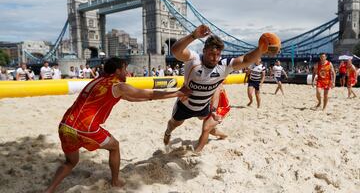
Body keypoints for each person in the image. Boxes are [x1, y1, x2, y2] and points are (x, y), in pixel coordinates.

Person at [45, 57, 190, 193]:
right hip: (85, 127)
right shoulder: (118, 85)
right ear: (117, 71)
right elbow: (148, 93)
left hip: (65, 125)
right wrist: (177, 93)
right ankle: (115, 181)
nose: (126, 72)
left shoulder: (96, 80)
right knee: (114, 146)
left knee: (71, 162)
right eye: (124, 69)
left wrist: (150, 100)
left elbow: (132, 98)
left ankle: (49, 190)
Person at [163, 25, 278, 153]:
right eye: (211, 53)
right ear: (204, 50)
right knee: (174, 124)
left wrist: (260, 50)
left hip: (203, 106)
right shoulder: (194, 59)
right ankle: (168, 132)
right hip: (185, 105)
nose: (214, 57)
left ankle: (208, 145)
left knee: (208, 128)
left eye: (218, 54)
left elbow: (245, 59)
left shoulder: (223, 65)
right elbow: (175, 51)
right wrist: (193, 35)